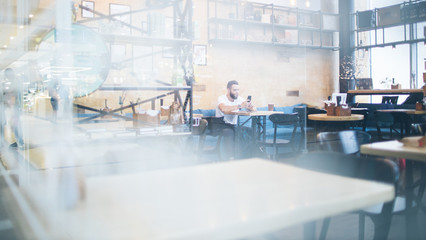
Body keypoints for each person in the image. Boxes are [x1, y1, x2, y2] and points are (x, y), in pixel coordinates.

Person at [215, 80, 255, 160]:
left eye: (238, 90)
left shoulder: (239, 99)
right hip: (220, 125)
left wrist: (251, 107)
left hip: (233, 125)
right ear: (228, 90)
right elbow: (223, 109)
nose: (237, 92)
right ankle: (230, 159)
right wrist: (240, 106)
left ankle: (246, 157)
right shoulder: (221, 98)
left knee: (248, 131)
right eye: (234, 90)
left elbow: (253, 108)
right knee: (229, 132)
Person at [4, 68, 24, 148]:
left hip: (16, 107)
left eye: (7, 75)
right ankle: (18, 141)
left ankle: (20, 142)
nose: (7, 77)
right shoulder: (15, 82)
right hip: (16, 106)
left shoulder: (15, 82)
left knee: (16, 125)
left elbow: (15, 96)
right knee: (15, 124)